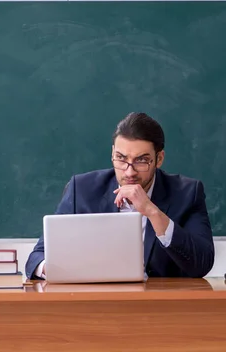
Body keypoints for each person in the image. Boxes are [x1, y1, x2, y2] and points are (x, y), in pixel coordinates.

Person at [26, 112, 215, 279]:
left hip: (161, 308)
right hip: (97, 305)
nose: (129, 172)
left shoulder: (187, 193)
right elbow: (37, 257)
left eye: (141, 161)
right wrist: (52, 270)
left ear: (159, 159)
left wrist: (153, 212)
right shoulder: (82, 189)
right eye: (121, 159)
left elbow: (202, 264)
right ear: (112, 154)